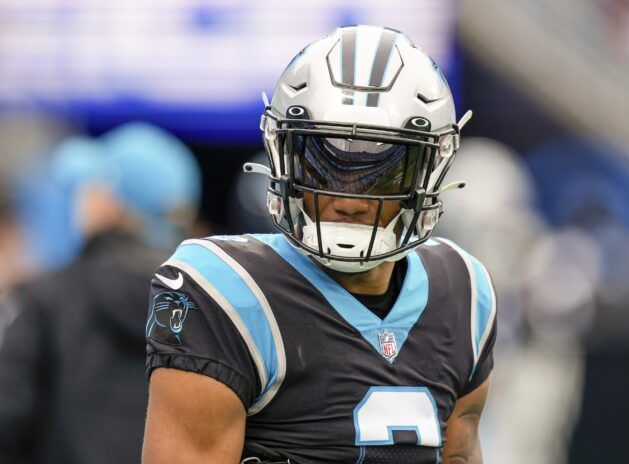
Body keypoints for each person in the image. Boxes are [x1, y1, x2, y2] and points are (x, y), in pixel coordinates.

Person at [143, 25, 497, 464]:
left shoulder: (463, 290)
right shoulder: (224, 289)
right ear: (284, 157)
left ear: (430, 169)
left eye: (383, 172)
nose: (348, 200)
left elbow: (459, 453)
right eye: (323, 166)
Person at [0, 124, 201, 464]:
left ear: (108, 205)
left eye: (91, 189)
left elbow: (8, 422)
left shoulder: (47, 299)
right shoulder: (211, 305)